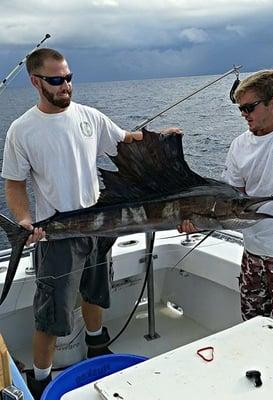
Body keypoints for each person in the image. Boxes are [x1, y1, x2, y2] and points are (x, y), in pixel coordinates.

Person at [1, 47, 180, 399]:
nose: (66, 86)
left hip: (100, 224)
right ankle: (40, 378)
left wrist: (159, 136)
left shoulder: (89, 117)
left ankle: (97, 345)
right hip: (58, 234)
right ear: (36, 82)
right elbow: (14, 183)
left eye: (68, 78)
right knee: (52, 313)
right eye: (56, 80)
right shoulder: (22, 130)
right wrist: (23, 219)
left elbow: (126, 138)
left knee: (96, 291)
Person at [179, 69, 273, 337]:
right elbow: (230, 198)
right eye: (240, 109)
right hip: (253, 252)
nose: (244, 115)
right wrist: (199, 222)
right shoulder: (239, 145)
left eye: (249, 107)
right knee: (252, 324)